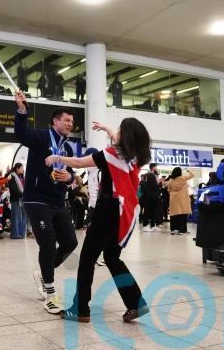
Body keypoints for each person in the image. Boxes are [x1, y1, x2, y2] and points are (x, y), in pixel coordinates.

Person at [44, 118, 151, 323]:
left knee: (87, 259)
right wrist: (106, 128)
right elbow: (117, 139)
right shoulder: (134, 157)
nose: (116, 133)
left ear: (125, 135)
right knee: (112, 258)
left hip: (107, 209)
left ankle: (81, 309)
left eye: (119, 130)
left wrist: (57, 157)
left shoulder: (111, 155)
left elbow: (78, 162)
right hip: (123, 211)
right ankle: (136, 303)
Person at [14, 89, 78, 314]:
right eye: (67, 120)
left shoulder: (66, 148)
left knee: (70, 243)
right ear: (55, 122)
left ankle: (43, 273)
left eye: (72, 121)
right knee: (48, 245)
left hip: (58, 201)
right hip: (37, 200)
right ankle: (50, 294)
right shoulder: (41, 137)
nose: (70, 124)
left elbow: (71, 174)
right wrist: (22, 110)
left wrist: (68, 177)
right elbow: (22, 134)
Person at [167, 167, 194, 234]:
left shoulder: (171, 180)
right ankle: (182, 230)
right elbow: (192, 175)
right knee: (183, 214)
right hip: (183, 199)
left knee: (174, 214)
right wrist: (188, 170)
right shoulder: (183, 178)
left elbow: (169, 190)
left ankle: (173, 229)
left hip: (174, 199)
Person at [8, 163, 26, 239]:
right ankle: (15, 234)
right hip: (15, 199)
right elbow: (14, 189)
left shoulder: (21, 176)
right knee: (16, 217)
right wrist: (24, 194)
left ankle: (21, 233)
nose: (23, 169)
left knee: (22, 217)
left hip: (22, 199)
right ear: (17, 169)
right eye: (21, 168)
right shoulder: (11, 176)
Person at [142, 163, 160, 232]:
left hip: (154, 196)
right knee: (148, 211)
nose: (157, 168)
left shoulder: (154, 175)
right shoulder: (150, 175)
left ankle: (153, 225)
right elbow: (153, 186)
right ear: (153, 167)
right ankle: (145, 225)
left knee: (154, 211)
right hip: (150, 196)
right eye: (156, 167)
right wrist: (158, 182)